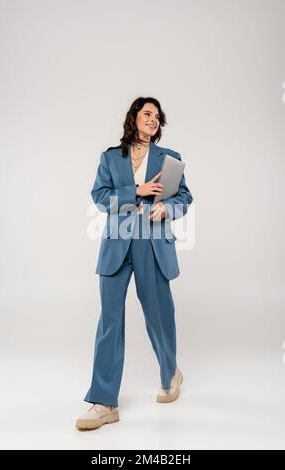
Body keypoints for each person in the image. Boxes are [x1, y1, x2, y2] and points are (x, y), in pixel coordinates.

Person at [76, 97, 193, 430]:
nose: (153, 119)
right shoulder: (110, 158)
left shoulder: (170, 159)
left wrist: (167, 209)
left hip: (152, 243)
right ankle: (103, 402)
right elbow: (100, 198)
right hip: (117, 243)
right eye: (147, 113)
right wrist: (135, 191)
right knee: (109, 321)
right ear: (133, 117)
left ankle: (170, 372)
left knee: (158, 314)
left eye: (157, 116)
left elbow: (184, 196)